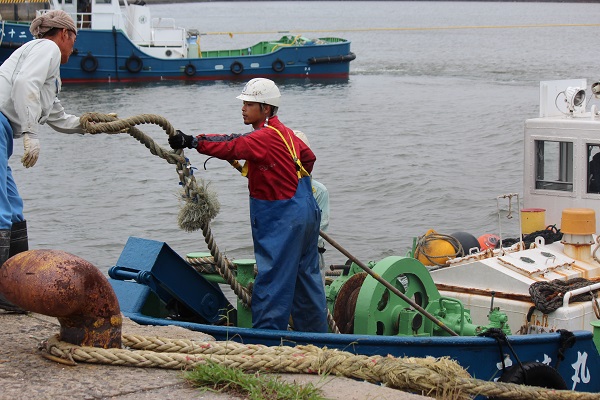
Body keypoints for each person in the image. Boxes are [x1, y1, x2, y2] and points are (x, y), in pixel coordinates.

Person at [168, 78, 328, 333]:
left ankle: (266, 343)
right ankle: (317, 340)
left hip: (282, 218)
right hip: (306, 212)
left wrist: (193, 142)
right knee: (306, 281)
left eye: (249, 104)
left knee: (273, 279)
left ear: (266, 108)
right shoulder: (286, 134)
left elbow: (232, 145)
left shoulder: (263, 137)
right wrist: (280, 176)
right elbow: (308, 158)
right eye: (243, 103)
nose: (243, 108)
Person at [0, 10, 85, 312]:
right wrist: (30, 134)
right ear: (64, 34)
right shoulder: (47, 48)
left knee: (13, 208)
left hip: (3, 130)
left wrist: (87, 124)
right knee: (1, 209)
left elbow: (56, 115)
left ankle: (13, 287)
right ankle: (4, 292)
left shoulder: (42, 59)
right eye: (74, 39)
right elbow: (24, 85)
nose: (74, 47)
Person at [293, 131, 330, 285]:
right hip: (285, 254)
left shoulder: (319, 191)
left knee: (314, 293)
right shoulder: (278, 189)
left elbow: (321, 229)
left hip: (312, 255)